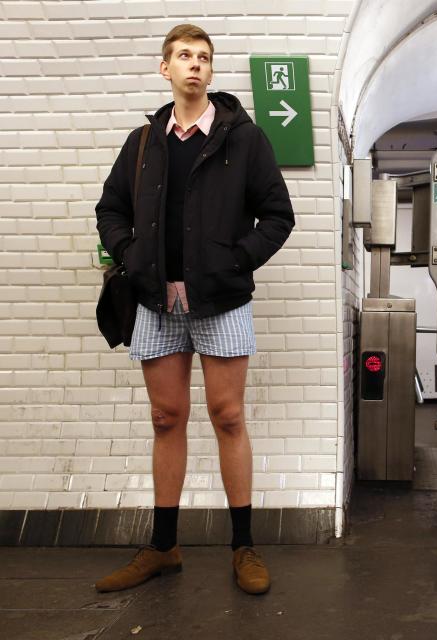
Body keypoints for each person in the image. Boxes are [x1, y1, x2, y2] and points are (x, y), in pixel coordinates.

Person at [94, 24, 295, 594]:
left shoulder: (244, 139)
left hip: (222, 300)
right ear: (166, 69)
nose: (195, 65)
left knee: (228, 417)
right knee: (166, 419)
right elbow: (110, 208)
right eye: (184, 56)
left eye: (204, 57)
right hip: (157, 300)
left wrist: (237, 261)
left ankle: (243, 547)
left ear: (211, 70)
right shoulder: (142, 141)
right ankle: (163, 547)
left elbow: (278, 215)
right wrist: (132, 254)